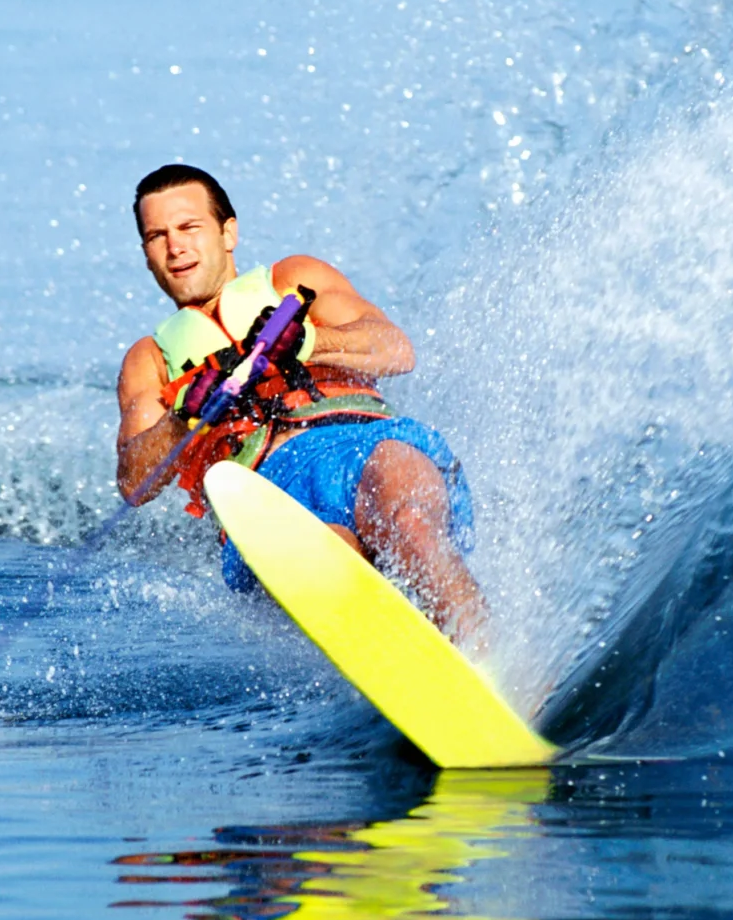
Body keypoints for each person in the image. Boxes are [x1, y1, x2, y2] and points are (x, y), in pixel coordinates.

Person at [114, 163, 488, 644]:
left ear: (228, 232)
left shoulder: (294, 280)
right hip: (266, 496)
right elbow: (133, 483)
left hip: (366, 443)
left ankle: (498, 670)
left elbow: (395, 349)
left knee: (410, 519)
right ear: (146, 255)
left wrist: (308, 342)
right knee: (331, 558)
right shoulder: (151, 360)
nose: (175, 246)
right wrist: (181, 417)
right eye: (156, 236)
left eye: (189, 227)